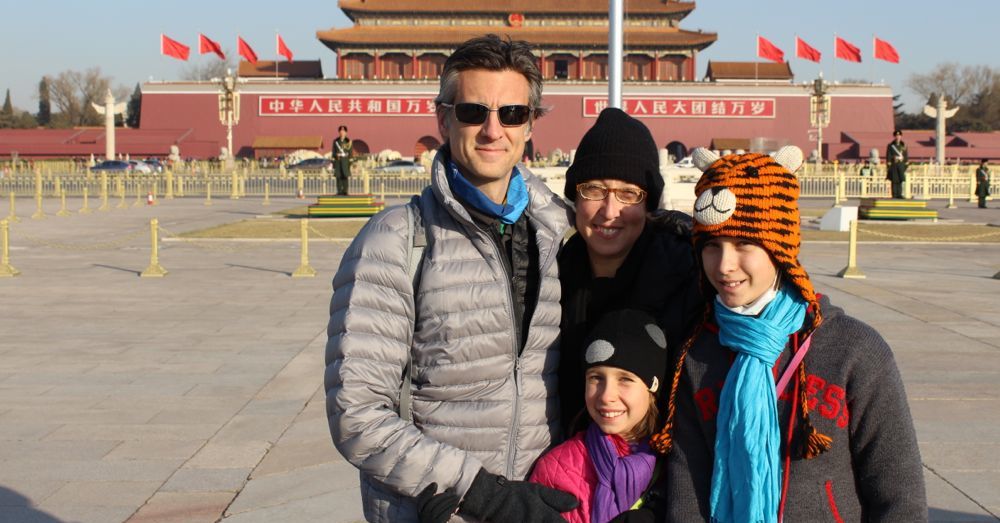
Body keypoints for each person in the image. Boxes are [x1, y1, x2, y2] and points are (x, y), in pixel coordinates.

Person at [326, 34, 576, 523]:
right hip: (440, 508)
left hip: (541, 505)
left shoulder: (558, 232)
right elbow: (357, 414)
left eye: (511, 114)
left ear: (530, 126)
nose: (492, 129)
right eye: (472, 112)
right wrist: (482, 493)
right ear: (443, 118)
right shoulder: (398, 240)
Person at [652, 146, 927, 522]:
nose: (725, 265)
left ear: (780, 248)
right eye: (711, 246)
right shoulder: (697, 351)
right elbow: (688, 489)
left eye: (744, 244)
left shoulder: (854, 350)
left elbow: (899, 495)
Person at [558, 107, 702, 437]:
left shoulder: (690, 279)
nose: (610, 212)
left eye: (629, 194)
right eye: (593, 189)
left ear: (649, 205)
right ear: (575, 198)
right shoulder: (552, 276)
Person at [529, 309, 667, 523]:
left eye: (625, 379)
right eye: (596, 378)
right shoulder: (557, 468)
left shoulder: (673, 466)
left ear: (652, 389)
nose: (606, 396)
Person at [886, 129, 908, 199]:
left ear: (901, 136)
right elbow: (888, 156)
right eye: (896, 135)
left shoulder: (903, 145)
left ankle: (899, 194)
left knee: (900, 179)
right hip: (894, 165)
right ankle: (894, 194)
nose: (898, 137)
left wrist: (906, 164)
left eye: (899, 135)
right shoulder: (891, 146)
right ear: (894, 136)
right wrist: (892, 159)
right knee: (894, 180)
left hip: (901, 164)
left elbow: (906, 155)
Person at [333, 125, 353, 195]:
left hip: (345, 161)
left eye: (343, 131)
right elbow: (333, 153)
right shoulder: (336, 141)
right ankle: (339, 191)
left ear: (346, 132)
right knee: (338, 177)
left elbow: (350, 153)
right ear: (339, 132)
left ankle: (345, 191)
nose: (342, 132)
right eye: (341, 131)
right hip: (338, 161)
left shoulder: (348, 141)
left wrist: (350, 162)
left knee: (345, 176)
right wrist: (336, 155)